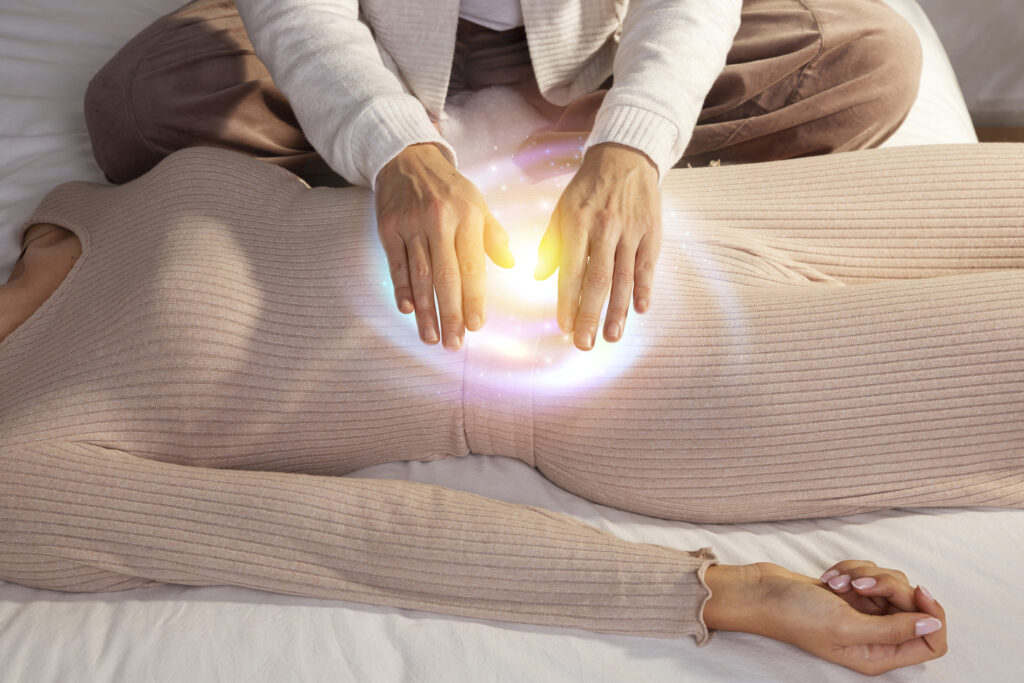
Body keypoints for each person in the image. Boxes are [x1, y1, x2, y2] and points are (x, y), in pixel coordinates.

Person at [8, 140, 1024, 674]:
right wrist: (720, 592)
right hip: (655, 390)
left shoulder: (64, 208)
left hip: (668, 217)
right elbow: (359, 538)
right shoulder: (18, 471)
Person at [82, 0, 923, 352]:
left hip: (598, 42)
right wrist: (393, 146)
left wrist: (631, 145)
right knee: (136, 103)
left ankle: (575, 165)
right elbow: (299, 9)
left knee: (875, 61)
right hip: (373, 35)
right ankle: (433, 167)